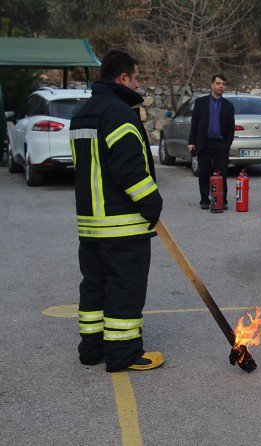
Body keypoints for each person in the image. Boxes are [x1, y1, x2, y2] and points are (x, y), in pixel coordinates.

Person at [70, 49, 164, 372]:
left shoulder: (81, 115)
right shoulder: (120, 114)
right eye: (136, 77)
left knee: (94, 286)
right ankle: (123, 352)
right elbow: (130, 171)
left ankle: (92, 348)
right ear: (123, 78)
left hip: (91, 226)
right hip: (123, 227)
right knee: (125, 287)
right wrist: (153, 204)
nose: (138, 83)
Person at [188, 74, 235, 210]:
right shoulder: (201, 103)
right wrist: (192, 141)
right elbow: (194, 123)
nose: (221, 86)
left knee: (222, 173)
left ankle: (221, 200)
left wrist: (227, 144)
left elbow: (231, 128)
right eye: (218, 83)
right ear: (212, 84)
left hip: (221, 145)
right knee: (204, 172)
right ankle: (204, 200)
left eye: (223, 84)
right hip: (204, 143)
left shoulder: (228, 106)